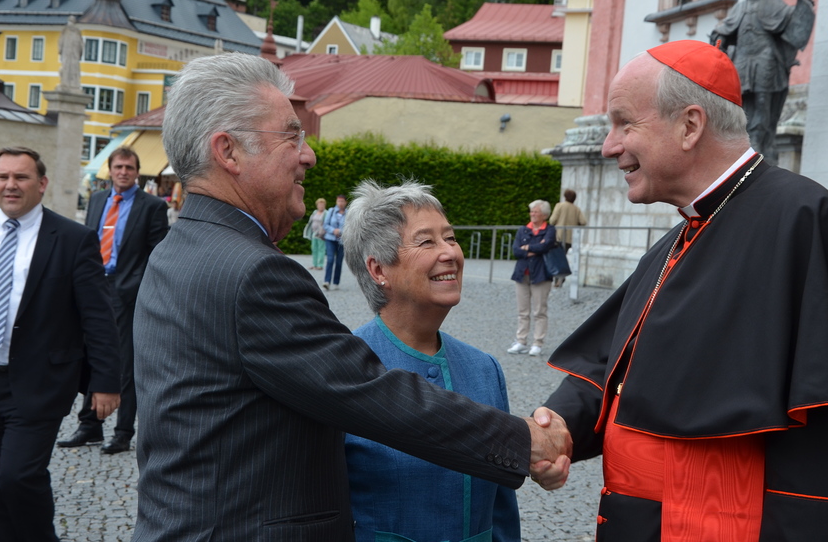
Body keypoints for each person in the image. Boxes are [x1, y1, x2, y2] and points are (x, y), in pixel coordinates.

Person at [130, 52, 571, 541]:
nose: (308, 153)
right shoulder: (255, 273)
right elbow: (371, 394)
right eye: (291, 135)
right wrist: (524, 440)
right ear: (228, 152)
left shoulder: (179, 250)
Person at [539, 40, 828, 541]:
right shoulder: (677, 240)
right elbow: (615, 364)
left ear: (690, 125)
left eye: (625, 123)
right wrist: (557, 424)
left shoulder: (812, 226)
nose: (609, 145)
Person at [0, 147, 120, 542]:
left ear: (41, 184)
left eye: (21, 177)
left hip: (40, 380)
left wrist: (107, 381)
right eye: (3, 176)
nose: (11, 185)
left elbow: (98, 315)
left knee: (17, 475)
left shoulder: (73, 239)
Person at [342, 179, 521, 542]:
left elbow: (502, 510)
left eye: (450, 238)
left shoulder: (484, 370)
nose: (450, 253)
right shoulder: (344, 367)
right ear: (378, 271)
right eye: (427, 241)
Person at [57, 147, 169, 454]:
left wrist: (137, 287)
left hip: (126, 292)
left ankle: (122, 431)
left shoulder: (152, 206)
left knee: (123, 361)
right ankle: (90, 425)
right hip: (92, 289)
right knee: (90, 354)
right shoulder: (96, 200)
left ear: (137, 172)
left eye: (129, 168)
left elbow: (159, 254)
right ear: (110, 170)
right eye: (118, 167)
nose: (123, 172)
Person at [710, 0, 815, 166]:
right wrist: (720, 41)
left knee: (762, 99)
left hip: (765, 56)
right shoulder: (740, 7)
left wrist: (803, 9)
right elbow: (726, 29)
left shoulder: (774, 4)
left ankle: (759, 139)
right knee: (739, 99)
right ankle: (740, 137)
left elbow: (791, 20)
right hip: (742, 57)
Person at [507, 200, 556, 357]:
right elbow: (516, 250)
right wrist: (535, 249)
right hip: (522, 274)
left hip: (541, 275)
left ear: (545, 215)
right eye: (532, 211)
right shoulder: (523, 230)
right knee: (523, 311)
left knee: (539, 311)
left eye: (536, 212)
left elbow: (546, 246)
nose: (532, 214)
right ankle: (521, 341)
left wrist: (527, 248)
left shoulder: (550, 230)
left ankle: (537, 343)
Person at [549, 189, 587, 287]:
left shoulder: (559, 206)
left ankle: (558, 277)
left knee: (556, 257)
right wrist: (575, 224)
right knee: (563, 257)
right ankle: (560, 277)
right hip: (569, 238)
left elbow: (552, 220)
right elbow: (583, 221)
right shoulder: (576, 209)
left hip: (558, 236)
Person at [323, 194, 347, 289]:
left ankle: (336, 282)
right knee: (330, 259)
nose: (340, 203)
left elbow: (350, 227)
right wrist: (333, 230)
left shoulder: (348, 213)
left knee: (339, 261)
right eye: (338, 201)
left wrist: (340, 231)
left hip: (342, 241)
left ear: (345, 202)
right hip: (330, 238)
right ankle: (327, 281)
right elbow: (325, 225)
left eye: (342, 201)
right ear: (336, 202)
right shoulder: (331, 211)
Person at [58, 15, 83, 92]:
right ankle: (73, 84)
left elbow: (60, 43)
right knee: (73, 68)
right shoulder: (77, 32)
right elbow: (81, 46)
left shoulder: (65, 31)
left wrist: (60, 50)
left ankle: (66, 83)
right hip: (74, 56)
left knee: (66, 67)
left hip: (68, 54)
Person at [308, 197, 327, 270]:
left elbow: (326, 223)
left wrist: (322, 232)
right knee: (314, 249)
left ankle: (320, 265)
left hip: (321, 234)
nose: (321, 206)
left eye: (322, 205)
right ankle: (314, 264)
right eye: (319, 205)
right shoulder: (315, 212)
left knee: (321, 249)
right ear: (317, 205)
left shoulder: (326, 213)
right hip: (314, 233)